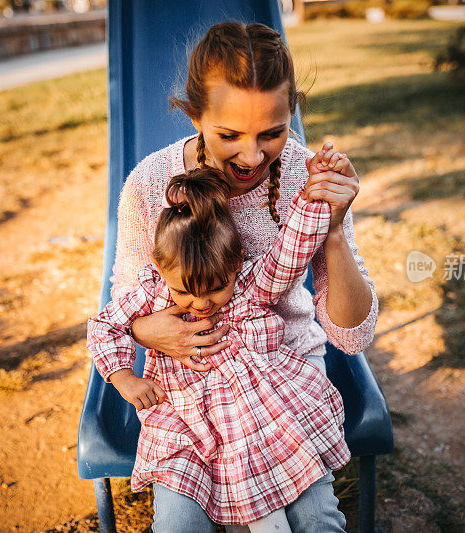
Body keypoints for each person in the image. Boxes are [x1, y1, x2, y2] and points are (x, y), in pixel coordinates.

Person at [109, 21, 378, 532]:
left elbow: (351, 334)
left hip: (282, 385)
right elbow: (125, 307)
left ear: (292, 113)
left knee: (315, 522)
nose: (252, 157)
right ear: (195, 116)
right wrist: (150, 331)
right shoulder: (148, 184)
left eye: (272, 133)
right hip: (190, 396)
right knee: (178, 525)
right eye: (229, 135)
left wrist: (337, 231)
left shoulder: (308, 178)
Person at [88, 167, 352, 531]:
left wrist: (313, 202)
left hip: (261, 416)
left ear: (236, 261)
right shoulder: (152, 292)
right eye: (184, 291)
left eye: (215, 288)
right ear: (160, 269)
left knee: (315, 520)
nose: (200, 303)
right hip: (185, 423)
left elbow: (290, 252)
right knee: (178, 525)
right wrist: (123, 378)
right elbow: (103, 326)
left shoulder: (249, 284)